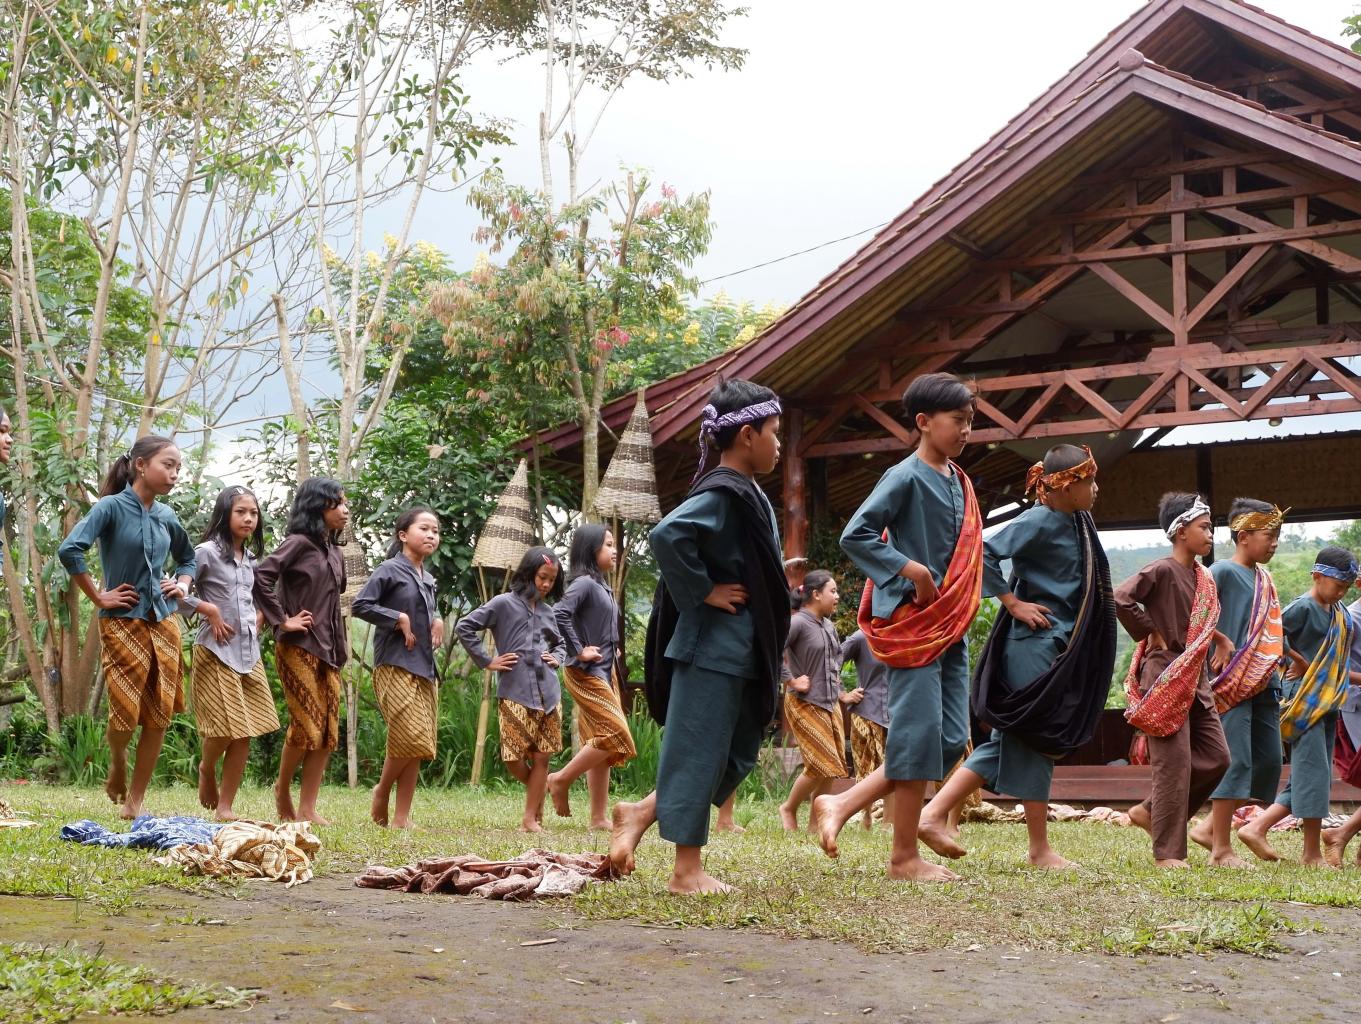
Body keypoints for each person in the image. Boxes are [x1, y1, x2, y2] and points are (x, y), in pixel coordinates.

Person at [609, 378, 789, 894]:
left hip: (741, 648)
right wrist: (704, 590)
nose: (778, 444)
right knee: (699, 752)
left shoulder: (748, 491)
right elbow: (668, 534)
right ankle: (686, 871)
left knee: (736, 751)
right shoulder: (724, 491)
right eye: (774, 433)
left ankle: (641, 813)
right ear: (748, 435)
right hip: (711, 647)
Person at [809, 372, 982, 883]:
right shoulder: (904, 475)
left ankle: (840, 804)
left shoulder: (961, 480)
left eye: (971, 422)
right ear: (924, 423)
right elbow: (855, 534)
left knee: (950, 737)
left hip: (952, 622)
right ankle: (902, 857)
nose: (967, 430)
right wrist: (913, 571)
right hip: (913, 621)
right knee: (917, 733)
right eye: (959, 421)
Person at [919, 443, 1116, 869]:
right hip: (1033, 644)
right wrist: (1011, 602)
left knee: (1019, 738)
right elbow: (982, 552)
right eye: (1089, 481)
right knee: (1031, 737)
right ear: (1065, 486)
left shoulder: (1076, 521)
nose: (1096, 489)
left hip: (1054, 644)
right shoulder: (1040, 519)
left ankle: (935, 814)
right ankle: (1038, 849)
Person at [58, 435, 196, 819]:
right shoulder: (110, 508)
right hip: (122, 623)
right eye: (167, 465)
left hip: (165, 622)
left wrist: (182, 585)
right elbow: (70, 549)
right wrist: (98, 597)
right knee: (125, 708)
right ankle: (117, 759)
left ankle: (135, 800)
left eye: (178, 468)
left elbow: (188, 559)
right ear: (140, 465)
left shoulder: (167, 515)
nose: (174, 473)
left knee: (158, 713)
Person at [1115, 492, 1233, 868]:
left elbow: (1194, 621)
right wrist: (1150, 631)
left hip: (1196, 680)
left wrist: (1219, 638)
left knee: (1217, 758)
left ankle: (1151, 812)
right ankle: (1168, 853)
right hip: (1165, 675)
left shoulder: (1203, 578)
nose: (1211, 533)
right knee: (1174, 765)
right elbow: (1121, 598)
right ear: (1181, 531)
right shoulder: (1163, 569)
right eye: (1204, 527)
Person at [1237, 547, 1358, 866]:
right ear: (1317, 576)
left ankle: (1256, 827)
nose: (1341, 591)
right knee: (1315, 773)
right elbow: (1269, 634)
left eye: (1347, 587)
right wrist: (1297, 659)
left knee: (1312, 773)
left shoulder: (1339, 611)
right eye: (1337, 584)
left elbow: (1337, 661)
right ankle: (1311, 853)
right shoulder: (1303, 607)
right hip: (1302, 698)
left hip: (1329, 698)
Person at [1187, 499, 1286, 866]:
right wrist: (1219, 641)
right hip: (1230, 681)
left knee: (1269, 762)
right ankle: (1221, 849)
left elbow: (1271, 629)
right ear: (1243, 537)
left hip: (1264, 682)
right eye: (1269, 535)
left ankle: (1207, 827)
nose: (1274, 543)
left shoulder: (1265, 578)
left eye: (1277, 536)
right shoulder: (1222, 573)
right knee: (1238, 760)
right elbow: (1195, 614)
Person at [253, 477, 349, 826]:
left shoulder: (335, 551)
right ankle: (282, 789)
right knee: (306, 725)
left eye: (345, 503)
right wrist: (282, 620)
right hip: (298, 645)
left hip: (331, 650)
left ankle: (308, 807)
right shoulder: (297, 543)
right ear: (317, 507)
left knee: (327, 731)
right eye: (338, 503)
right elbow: (261, 576)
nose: (345, 510)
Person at [180, 485, 278, 822]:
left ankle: (226, 807)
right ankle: (207, 767)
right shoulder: (204, 552)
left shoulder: (250, 560)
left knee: (246, 729)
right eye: (241, 512)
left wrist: (258, 619)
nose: (249, 518)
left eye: (253, 513)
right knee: (223, 728)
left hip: (249, 652)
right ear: (225, 514)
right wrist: (208, 609)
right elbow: (174, 593)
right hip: (215, 650)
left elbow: (252, 600)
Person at [457, 545, 566, 833]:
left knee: (543, 755)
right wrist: (487, 661)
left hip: (549, 694)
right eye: (541, 577)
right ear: (528, 574)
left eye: (551, 580)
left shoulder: (547, 612)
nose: (545, 584)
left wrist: (557, 658)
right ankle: (541, 792)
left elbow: (560, 644)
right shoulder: (502, 603)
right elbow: (465, 627)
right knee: (513, 758)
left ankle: (530, 819)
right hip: (514, 690)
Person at [352, 507, 443, 829]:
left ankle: (402, 816)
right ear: (403, 535)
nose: (431, 534)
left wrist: (437, 619)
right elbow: (360, 605)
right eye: (424, 528)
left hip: (424, 666)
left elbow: (424, 610)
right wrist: (398, 619)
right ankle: (382, 790)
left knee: (418, 743)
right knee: (409, 733)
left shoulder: (428, 579)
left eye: (435, 530)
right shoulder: (389, 570)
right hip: (394, 663)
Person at [548, 524, 636, 829]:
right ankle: (560, 780)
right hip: (586, 672)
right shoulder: (584, 583)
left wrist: (613, 650)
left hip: (604, 671)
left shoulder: (601, 586)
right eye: (608, 545)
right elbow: (559, 613)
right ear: (590, 550)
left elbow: (597, 625)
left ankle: (598, 817)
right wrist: (579, 649)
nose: (614, 550)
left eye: (614, 544)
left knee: (598, 742)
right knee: (615, 734)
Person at [779, 570, 860, 832]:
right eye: (833, 591)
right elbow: (773, 649)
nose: (837, 596)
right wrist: (791, 680)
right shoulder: (797, 623)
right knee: (820, 763)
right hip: (804, 702)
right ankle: (789, 807)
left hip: (829, 704)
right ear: (816, 594)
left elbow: (834, 664)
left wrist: (842, 694)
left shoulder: (829, 626)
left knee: (832, 766)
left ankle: (815, 824)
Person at [1323, 589, 1361, 866]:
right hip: (1356, 704)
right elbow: (1332, 666)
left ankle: (1343, 835)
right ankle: (1340, 834)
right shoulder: (1353, 617)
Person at [841, 627, 891, 829]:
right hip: (867, 712)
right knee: (865, 767)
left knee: (895, 766)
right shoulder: (861, 637)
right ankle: (866, 817)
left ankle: (890, 821)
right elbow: (830, 661)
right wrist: (843, 694)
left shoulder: (901, 634)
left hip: (897, 712)